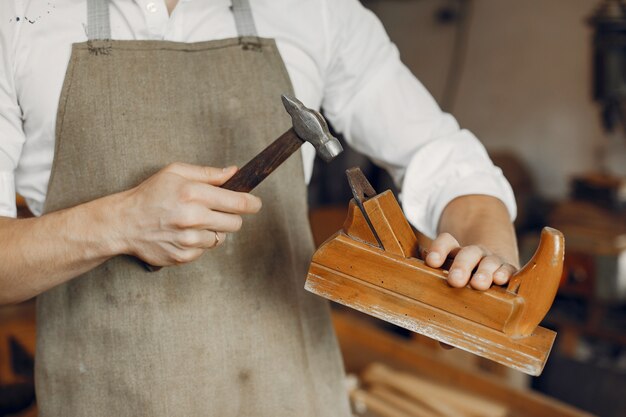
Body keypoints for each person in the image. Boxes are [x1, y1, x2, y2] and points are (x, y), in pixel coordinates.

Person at [0, 0, 519, 416]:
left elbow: (442, 156)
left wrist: (483, 250)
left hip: (295, 396)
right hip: (108, 399)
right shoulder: (19, 18)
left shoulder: (316, 13)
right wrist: (119, 224)